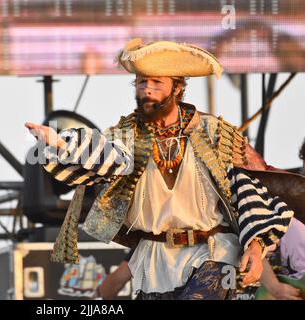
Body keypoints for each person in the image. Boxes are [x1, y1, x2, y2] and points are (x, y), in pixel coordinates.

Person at [25, 39, 294, 300]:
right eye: (142, 82)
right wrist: (61, 143)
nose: (148, 90)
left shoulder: (214, 133)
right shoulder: (126, 136)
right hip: (154, 260)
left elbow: (251, 193)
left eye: (157, 83)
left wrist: (256, 249)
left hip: (213, 254)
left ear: (177, 89)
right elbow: (103, 155)